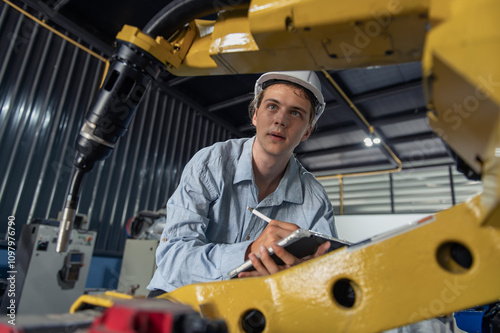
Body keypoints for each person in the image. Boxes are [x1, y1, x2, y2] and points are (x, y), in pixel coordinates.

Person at [147, 71, 337, 295]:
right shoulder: (212, 164)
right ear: (256, 115)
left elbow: (327, 271)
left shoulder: (315, 200)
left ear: (307, 131)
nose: (281, 120)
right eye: (272, 106)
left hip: (251, 305)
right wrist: (248, 252)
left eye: (295, 112)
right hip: (180, 295)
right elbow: (173, 259)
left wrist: (299, 277)